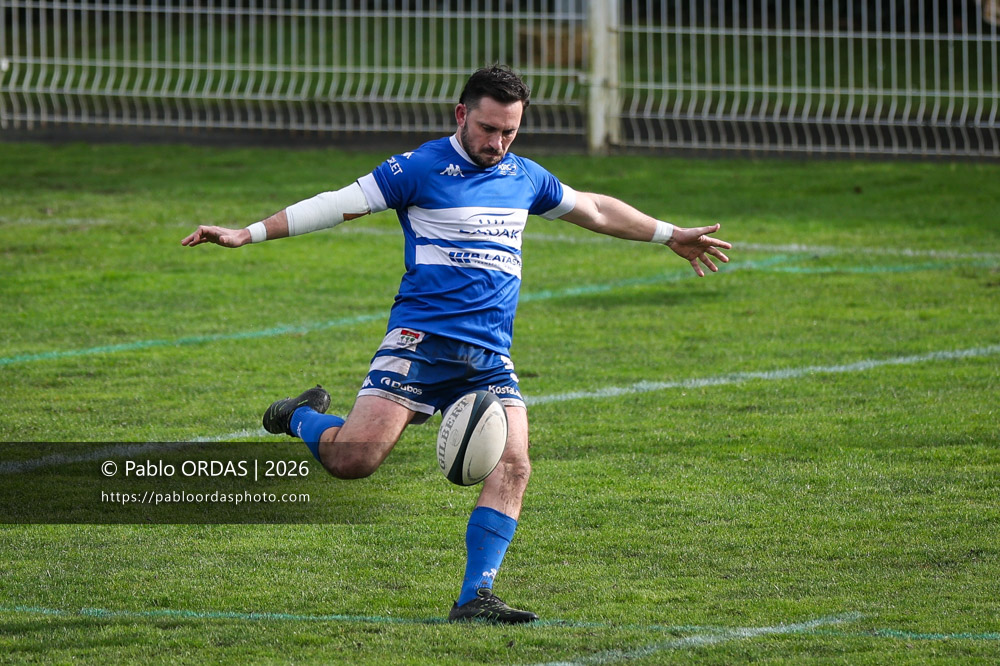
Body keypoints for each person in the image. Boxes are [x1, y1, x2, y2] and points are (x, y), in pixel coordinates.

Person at [182, 65, 731, 624]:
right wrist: (247, 232)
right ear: (461, 114)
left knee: (514, 466)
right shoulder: (418, 169)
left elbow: (592, 208)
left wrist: (668, 234)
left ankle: (475, 598)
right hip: (421, 343)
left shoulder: (525, 177)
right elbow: (336, 203)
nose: (497, 143)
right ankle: (300, 417)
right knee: (354, 460)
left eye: (510, 132)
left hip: (488, 355)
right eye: (489, 129)